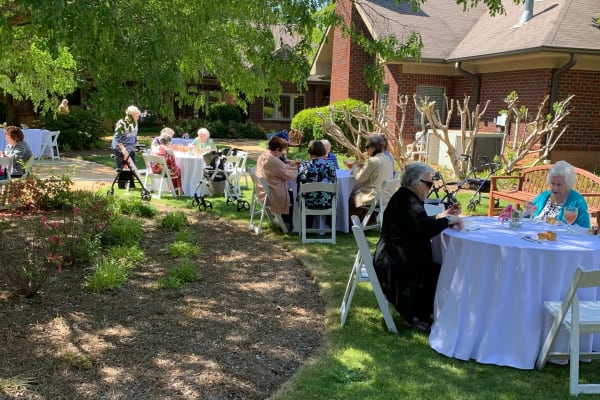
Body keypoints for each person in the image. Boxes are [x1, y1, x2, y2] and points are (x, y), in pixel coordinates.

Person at [373, 162, 462, 332]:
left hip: (392, 254)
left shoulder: (406, 197)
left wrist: (442, 216)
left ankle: (421, 312)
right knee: (438, 269)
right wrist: (448, 220)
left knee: (436, 265)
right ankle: (416, 315)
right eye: (428, 184)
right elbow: (424, 229)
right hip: (394, 261)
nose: (430, 187)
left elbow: (419, 224)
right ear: (415, 183)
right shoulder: (408, 201)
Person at [524, 160, 590, 227]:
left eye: (559, 184)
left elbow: (585, 228)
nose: (555, 188)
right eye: (553, 184)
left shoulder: (578, 202)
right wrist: (526, 212)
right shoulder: (543, 196)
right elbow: (527, 216)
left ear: (568, 185)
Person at [348, 135, 394, 223]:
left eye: (367, 147)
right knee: (357, 195)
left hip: (374, 197)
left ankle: (352, 225)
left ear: (374, 147)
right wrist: (364, 167)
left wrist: (354, 168)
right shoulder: (387, 159)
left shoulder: (373, 161)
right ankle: (369, 222)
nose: (366, 149)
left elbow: (360, 178)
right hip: (387, 196)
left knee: (350, 198)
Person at [255, 136, 296, 230]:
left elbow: (282, 168)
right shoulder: (272, 160)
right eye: (282, 151)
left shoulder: (264, 155)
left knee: (290, 192)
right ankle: (287, 224)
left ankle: (283, 221)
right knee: (293, 194)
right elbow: (287, 176)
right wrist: (298, 171)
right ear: (277, 149)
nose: (282, 153)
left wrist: (292, 166)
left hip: (262, 191)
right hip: (271, 194)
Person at [297, 140, 337, 228]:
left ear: (309, 151)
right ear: (323, 151)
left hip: (308, 202)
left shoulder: (303, 165)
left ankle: (307, 226)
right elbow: (334, 182)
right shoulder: (330, 165)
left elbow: (299, 185)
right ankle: (329, 224)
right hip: (327, 202)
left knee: (306, 195)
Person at [112, 105, 141, 189]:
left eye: (138, 116)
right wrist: (123, 149)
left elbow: (134, 136)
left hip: (130, 148)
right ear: (130, 116)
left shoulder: (135, 123)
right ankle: (121, 186)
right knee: (122, 167)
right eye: (136, 116)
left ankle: (131, 185)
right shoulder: (122, 123)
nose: (138, 118)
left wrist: (137, 144)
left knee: (132, 166)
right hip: (120, 148)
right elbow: (117, 139)